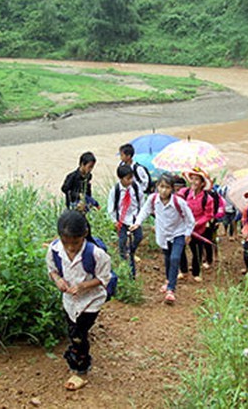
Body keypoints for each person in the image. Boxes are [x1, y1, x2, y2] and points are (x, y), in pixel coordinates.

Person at [46, 210, 111, 391]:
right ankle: (76, 353)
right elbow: (52, 270)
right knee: (73, 330)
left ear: (84, 235)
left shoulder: (96, 254)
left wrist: (83, 286)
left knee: (78, 334)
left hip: (91, 301)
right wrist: (59, 280)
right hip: (69, 301)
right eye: (66, 243)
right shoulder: (54, 250)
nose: (71, 248)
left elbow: (104, 278)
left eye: (75, 243)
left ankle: (81, 369)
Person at [130, 173, 195, 304]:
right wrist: (137, 223)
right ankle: (168, 280)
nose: (163, 190)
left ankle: (171, 289)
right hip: (163, 234)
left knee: (175, 258)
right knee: (167, 258)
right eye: (161, 186)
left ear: (172, 189)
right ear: (156, 187)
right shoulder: (153, 200)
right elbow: (144, 211)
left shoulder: (179, 202)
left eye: (167, 187)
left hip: (178, 233)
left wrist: (188, 233)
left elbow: (190, 219)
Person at [107, 165, 145, 278]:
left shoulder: (135, 187)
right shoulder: (115, 190)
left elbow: (141, 201)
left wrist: (140, 217)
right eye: (127, 178)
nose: (130, 180)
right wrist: (114, 221)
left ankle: (131, 251)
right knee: (122, 242)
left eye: (131, 178)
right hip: (122, 221)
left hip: (134, 219)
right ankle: (126, 268)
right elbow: (111, 208)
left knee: (138, 237)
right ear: (121, 178)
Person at [178, 167, 215, 282]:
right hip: (183, 227)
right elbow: (176, 203)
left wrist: (197, 223)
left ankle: (196, 273)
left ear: (202, 183)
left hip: (198, 229)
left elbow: (208, 215)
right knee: (180, 249)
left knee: (197, 251)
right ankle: (184, 271)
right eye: (192, 179)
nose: (193, 182)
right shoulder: (184, 192)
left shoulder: (207, 199)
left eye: (197, 179)